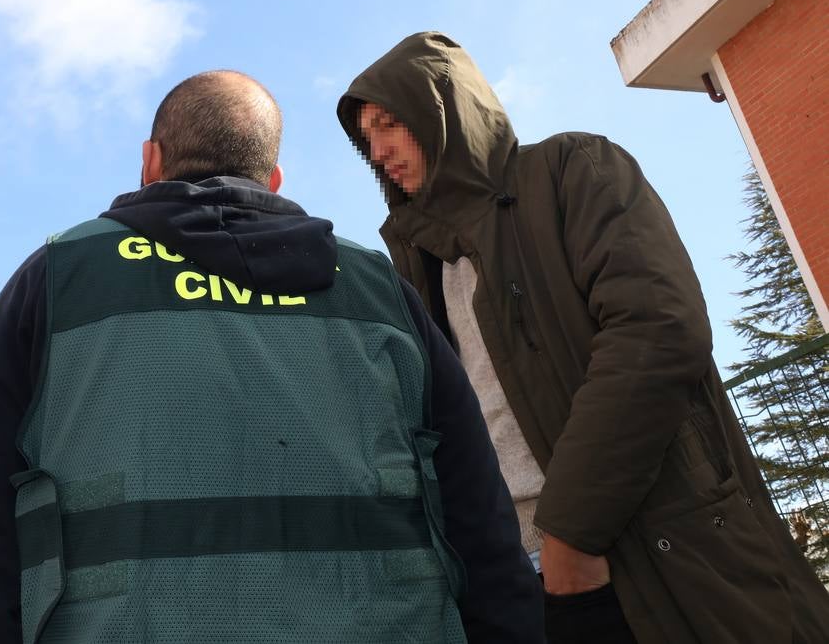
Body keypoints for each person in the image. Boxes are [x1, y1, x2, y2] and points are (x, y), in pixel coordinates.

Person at [0, 70, 543, 643]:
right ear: (273, 181)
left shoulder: (55, 280)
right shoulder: (379, 290)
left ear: (150, 161)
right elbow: (481, 529)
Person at [336, 31, 829, 644]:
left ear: (440, 108)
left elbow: (658, 330)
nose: (378, 150)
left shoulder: (574, 172)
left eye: (389, 123)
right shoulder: (415, 265)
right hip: (509, 578)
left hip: (634, 547)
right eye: (367, 138)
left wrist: (570, 533)